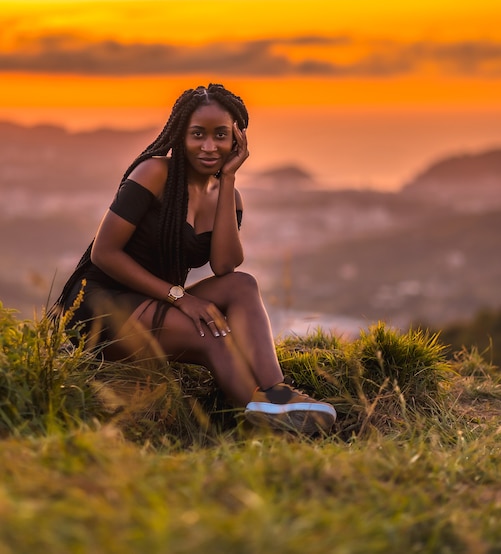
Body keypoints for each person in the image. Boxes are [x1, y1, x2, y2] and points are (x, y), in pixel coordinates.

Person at [52, 83, 336, 434]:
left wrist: (228, 180)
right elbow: (104, 253)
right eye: (197, 134)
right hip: (101, 304)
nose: (209, 146)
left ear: (237, 138)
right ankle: (265, 416)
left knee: (243, 285)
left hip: (152, 302)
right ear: (180, 136)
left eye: (220, 135)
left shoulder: (228, 196)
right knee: (211, 335)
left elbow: (225, 266)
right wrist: (181, 297)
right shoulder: (154, 173)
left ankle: (278, 393)